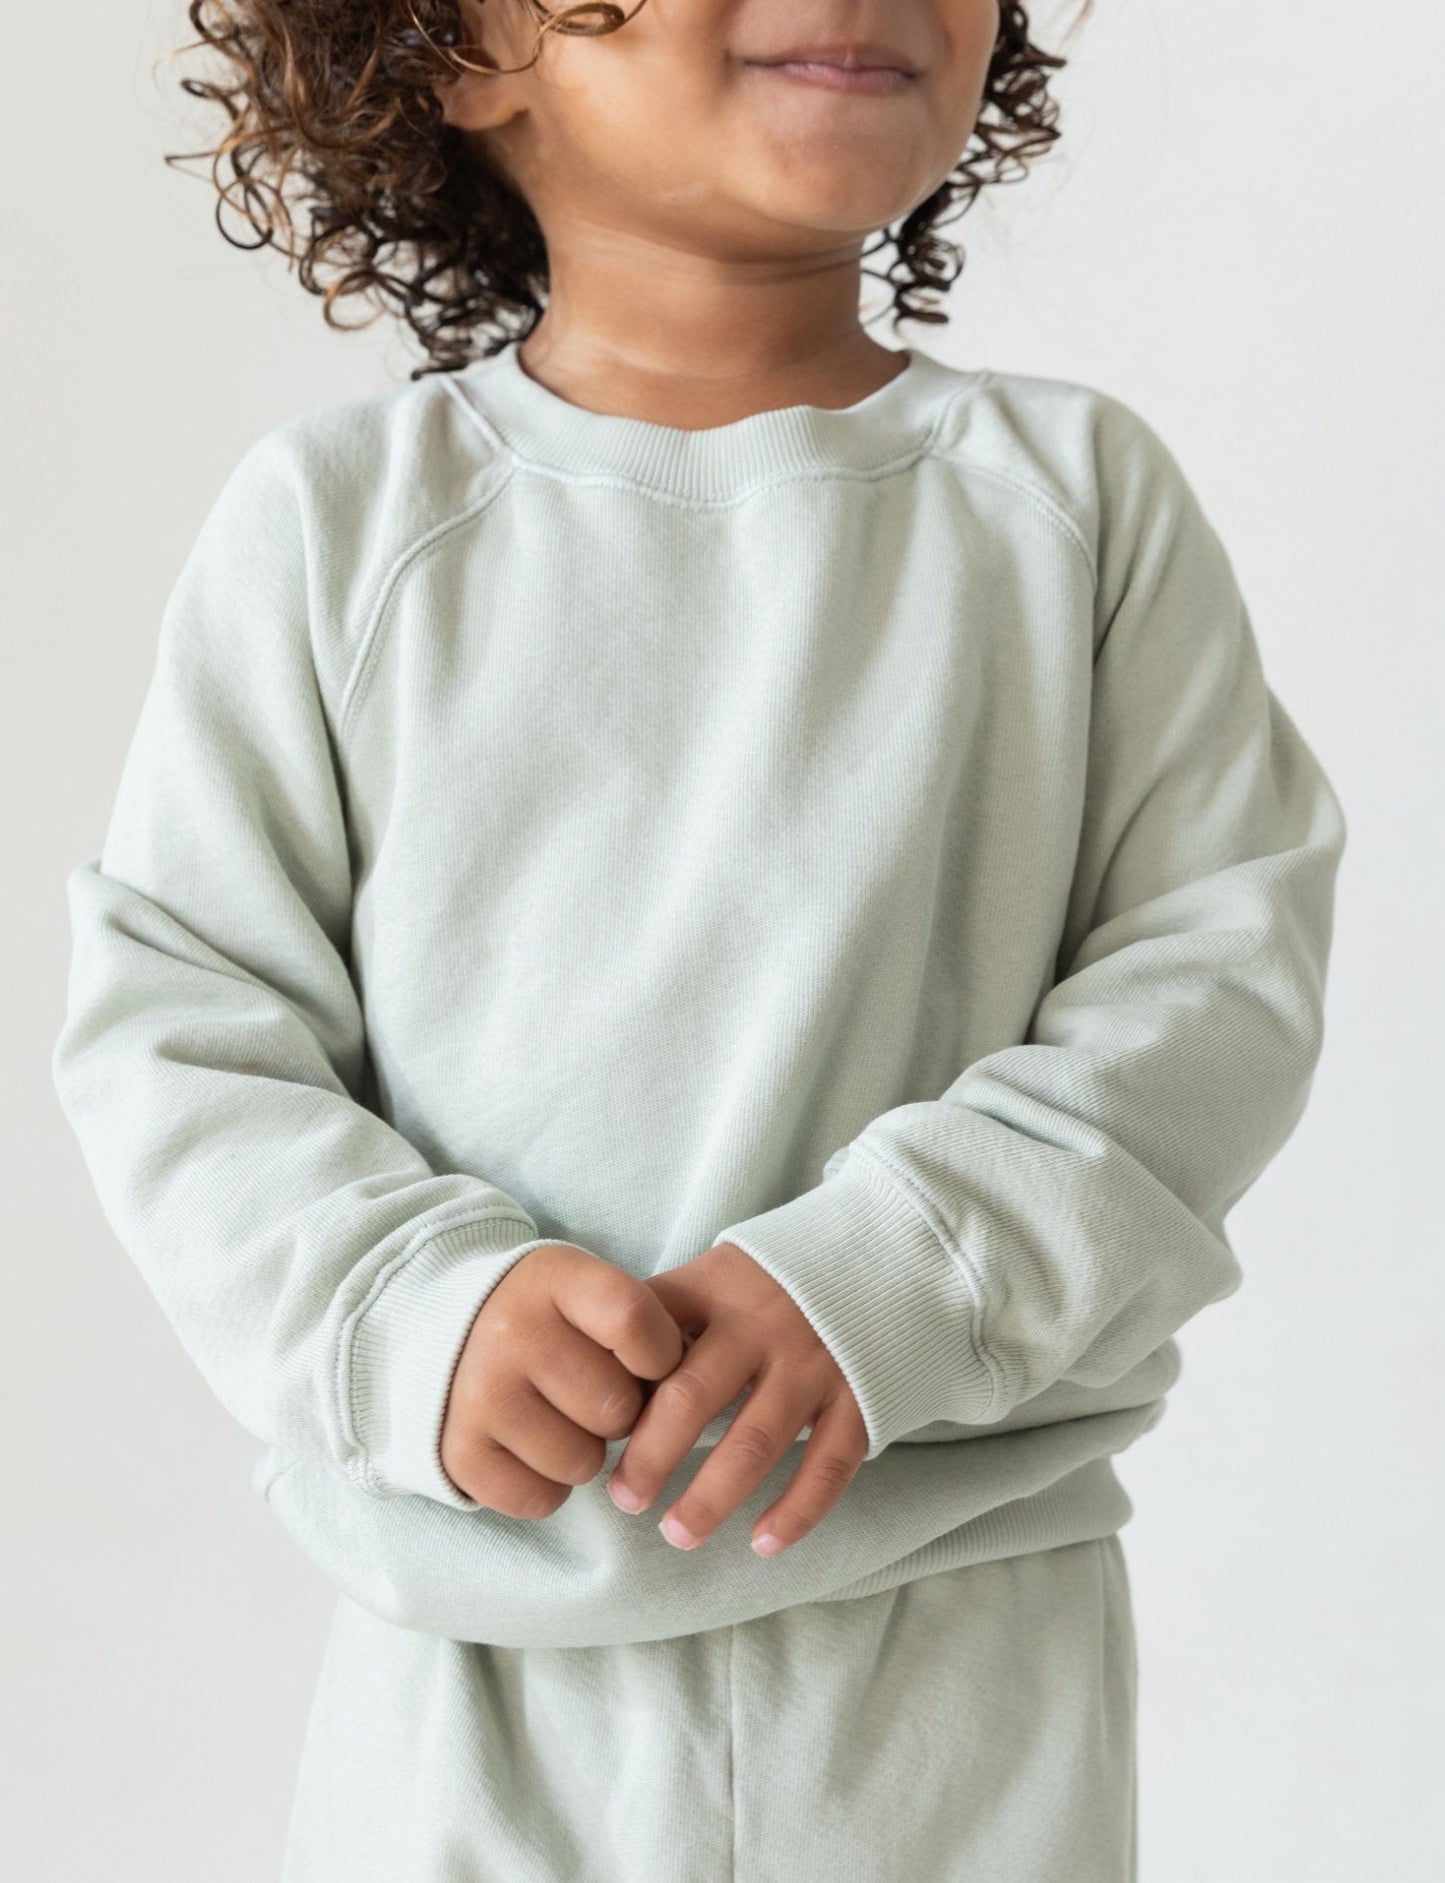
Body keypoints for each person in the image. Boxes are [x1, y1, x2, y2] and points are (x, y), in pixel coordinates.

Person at [50, 2, 1348, 1877]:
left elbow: (1216, 977)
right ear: (455, 50)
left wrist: (905, 1269)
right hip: (479, 1652)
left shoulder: (1071, 510)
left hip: (954, 1635)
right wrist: (410, 1307)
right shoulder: (339, 529)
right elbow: (182, 1025)